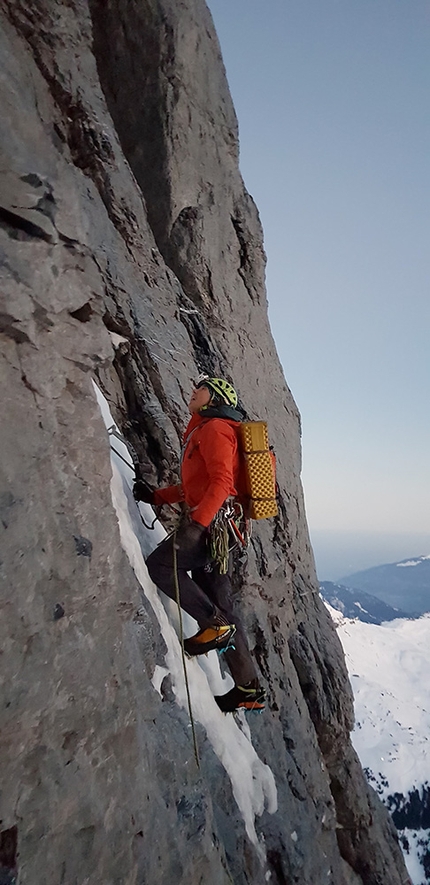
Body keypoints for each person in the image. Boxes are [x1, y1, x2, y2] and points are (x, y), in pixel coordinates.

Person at [133, 376, 266, 713]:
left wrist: (196, 526)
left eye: (202, 388)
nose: (194, 390)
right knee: (225, 605)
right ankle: (248, 688)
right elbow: (197, 485)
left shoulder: (214, 430)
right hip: (224, 530)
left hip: (213, 528)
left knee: (161, 567)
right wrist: (157, 496)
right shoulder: (206, 430)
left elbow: (221, 482)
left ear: (215, 398)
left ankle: (213, 626)